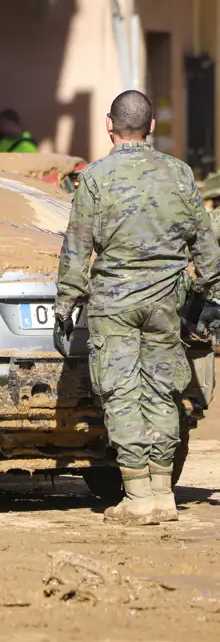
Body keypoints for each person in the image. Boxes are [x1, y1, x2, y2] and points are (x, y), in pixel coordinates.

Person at [54, 90, 220, 525]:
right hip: (167, 301)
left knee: (122, 392)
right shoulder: (180, 174)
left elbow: (77, 246)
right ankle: (165, 494)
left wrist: (65, 302)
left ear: (110, 125)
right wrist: (212, 296)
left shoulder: (96, 177)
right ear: (151, 127)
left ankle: (138, 495)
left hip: (114, 303)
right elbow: (206, 246)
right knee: (164, 389)